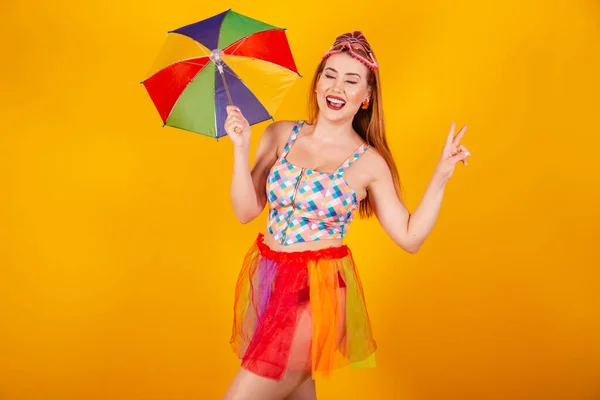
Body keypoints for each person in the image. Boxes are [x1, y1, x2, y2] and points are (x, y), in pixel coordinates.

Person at [221, 31, 471, 400]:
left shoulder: (369, 163)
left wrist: (441, 176)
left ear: (366, 97)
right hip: (270, 282)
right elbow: (245, 211)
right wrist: (240, 149)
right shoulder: (279, 134)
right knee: (296, 394)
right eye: (330, 75)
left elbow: (409, 236)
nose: (337, 87)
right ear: (318, 82)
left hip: (318, 294)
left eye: (351, 80)